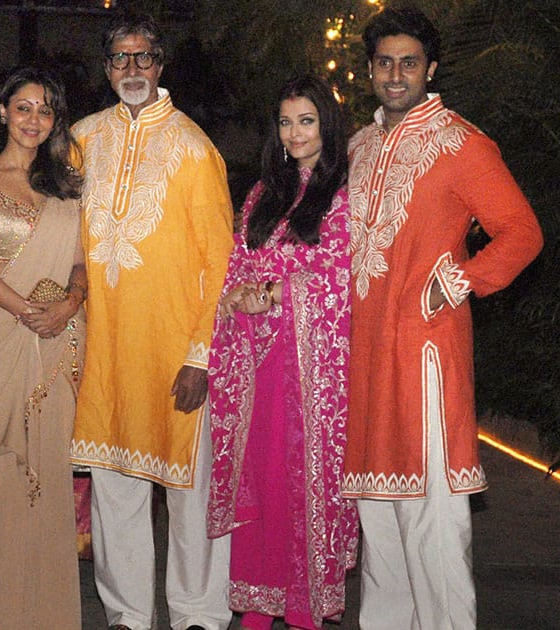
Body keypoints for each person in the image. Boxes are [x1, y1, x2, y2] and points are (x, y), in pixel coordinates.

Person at [342, 7, 543, 629]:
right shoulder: (357, 144)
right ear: (370, 70)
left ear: (430, 69)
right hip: (365, 361)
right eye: (384, 63)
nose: (395, 75)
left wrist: (460, 282)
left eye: (408, 63)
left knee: (433, 528)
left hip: (425, 355)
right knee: (380, 530)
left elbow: (522, 232)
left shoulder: (463, 143)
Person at [68, 14, 234, 630]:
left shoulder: (194, 148)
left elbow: (220, 260)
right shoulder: (81, 140)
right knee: (115, 488)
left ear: (161, 65)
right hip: (106, 345)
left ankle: (198, 614)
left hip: (176, 351)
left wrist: (202, 355)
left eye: (143, 58)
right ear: (106, 67)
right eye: (119, 59)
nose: (131, 70)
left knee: (189, 491)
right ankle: (128, 614)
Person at [207, 75, 358, 630]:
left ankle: (302, 610)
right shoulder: (261, 194)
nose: (295, 133)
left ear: (327, 125)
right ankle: (256, 606)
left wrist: (274, 291)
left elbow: (341, 277)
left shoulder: (344, 191)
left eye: (307, 120)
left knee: (300, 489)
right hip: (261, 365)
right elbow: (238, 265)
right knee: (263, 482)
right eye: (286, 121)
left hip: (315, 373)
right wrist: (239, 295)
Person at [0, 66, 87, 630]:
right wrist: (31, 313)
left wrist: (71, 303)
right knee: (9, 467)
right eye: (23, 107)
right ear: (3, 111)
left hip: (60, 336)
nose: (33, 119)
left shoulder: (67, 187)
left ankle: (49, 613)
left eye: (45, 110)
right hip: (1, 334)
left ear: (55, 121)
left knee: (51, 472)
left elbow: (81, 261)